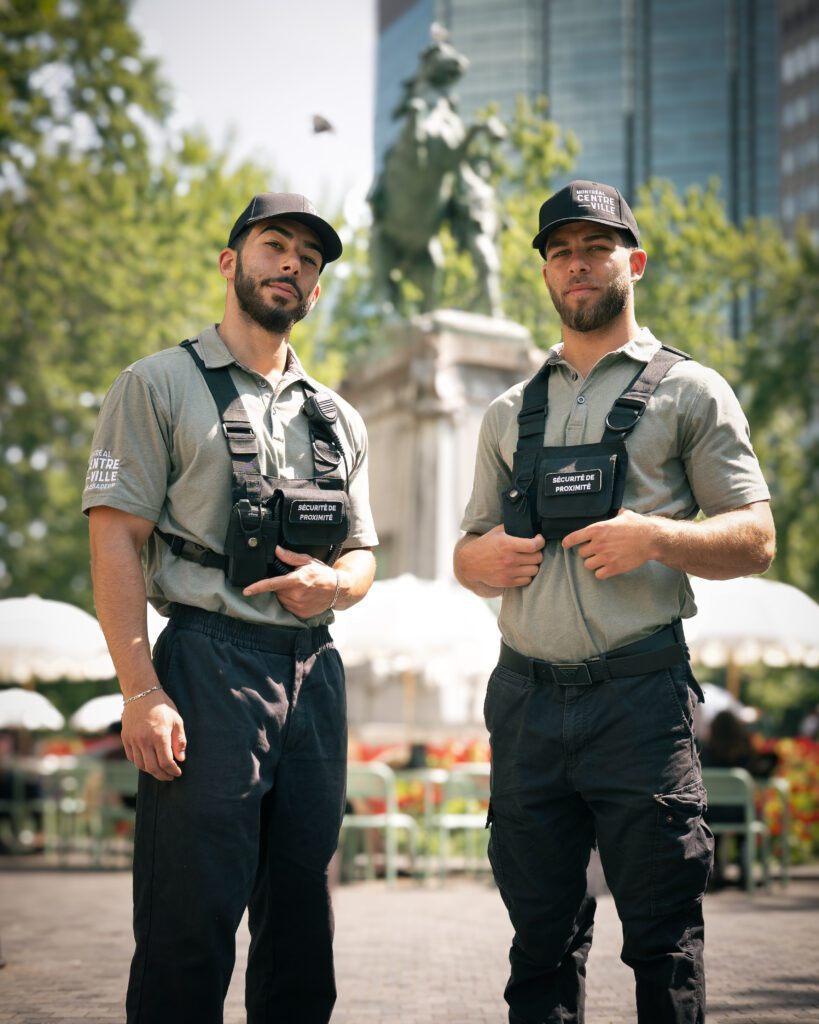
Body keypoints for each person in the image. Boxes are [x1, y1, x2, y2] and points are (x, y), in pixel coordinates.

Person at [453, 179, 775, 1024]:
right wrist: (479, 558)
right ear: (546, 275)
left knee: (663, 939)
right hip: (523, 699)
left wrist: (658, 538)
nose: (576, 265)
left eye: (594, 248)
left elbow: (755, 537)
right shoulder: (507, 411)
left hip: (640, 697)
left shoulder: (692, 391)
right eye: (559, 252)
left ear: (630, 261)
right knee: (539, 945)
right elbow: (464, 555)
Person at [82, 192, 378, 1024]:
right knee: (189, 922)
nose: (291, 264)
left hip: (314, 675)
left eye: (309, 259)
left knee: (301, 931)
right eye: (274, 246)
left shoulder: (340, 415)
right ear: (230, 263)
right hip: (205, 665)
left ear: (316, 289)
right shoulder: (156, 384)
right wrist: (141, 691)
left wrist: (338, 587)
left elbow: (363, 555)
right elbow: (114, 541)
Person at [700, 708, 779, 889]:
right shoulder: (744, 753)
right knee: (746, 827)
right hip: (740, 814)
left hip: (711, 814)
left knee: (715, 833)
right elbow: (760, 771)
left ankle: (715, 874)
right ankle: (745, 873)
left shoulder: (705, 752)